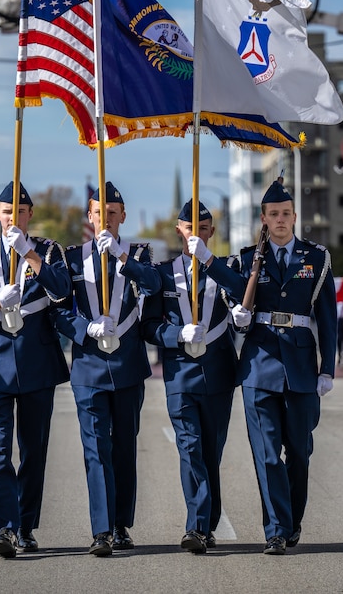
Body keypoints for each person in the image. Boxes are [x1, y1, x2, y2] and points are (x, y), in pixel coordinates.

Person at [202, 179, 337, 555]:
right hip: (259, 364)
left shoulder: (316, 258)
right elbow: (232, 299)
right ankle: (276, 530)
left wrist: (328, 368)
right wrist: (238, 314)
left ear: (295, 217)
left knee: (299, 450)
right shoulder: (246, 260)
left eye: (286, 214)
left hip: (300, 366)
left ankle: (291, 520)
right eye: (273, 214)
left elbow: (328, 318)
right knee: (265, 453)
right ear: (263, 218)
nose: (280, 219)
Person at [0, 182, 72, 558]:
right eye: (7, 211)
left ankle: (25, 525)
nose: (13, 218)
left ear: (30, 214)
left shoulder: (48, 250)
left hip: (37, 363)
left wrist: (30, 256)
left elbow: (62, 291)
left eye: (20, 212)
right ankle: (4, 528)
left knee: (34, 451)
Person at [52, 181, 161, 557]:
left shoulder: (139, 253)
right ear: (89, 216)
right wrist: (84, 329)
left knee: (124, 448)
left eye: (112, 214)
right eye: (99, 213)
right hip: (88, 366)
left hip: (128, 365)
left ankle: (120, 525)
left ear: (123, 216)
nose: (105, 220)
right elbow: (61, 310)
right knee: (96, 449)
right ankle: (101, 530)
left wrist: (121, 258)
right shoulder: (70, 257)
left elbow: (154, 284)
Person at [140, 199, 237, 555]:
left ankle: (206, 522)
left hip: (219, 374)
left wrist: (211, 264)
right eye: (189, 226)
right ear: (179, 230)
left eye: (204, 227)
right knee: (190, 448)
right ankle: (196, 527)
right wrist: (175, 335)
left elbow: (243, 295)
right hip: (180, 375)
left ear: (212, 232)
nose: (196, 231)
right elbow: (148, 326)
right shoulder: (163, 274)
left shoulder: (225, 268)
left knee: (211, 452)